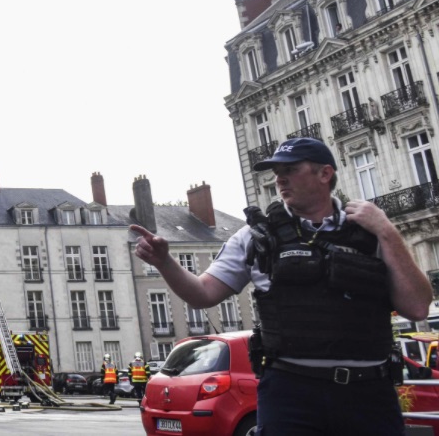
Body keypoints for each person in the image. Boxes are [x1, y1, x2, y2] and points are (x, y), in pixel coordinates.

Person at [132, 137, 432, 436]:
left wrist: (387, 231)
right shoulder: (255, 236)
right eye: (276, 171)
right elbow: (202, 294)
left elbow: (417, 306)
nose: (279, 179)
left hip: (369, 392)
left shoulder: (370, 229)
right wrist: (164, 262)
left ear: (324, 173)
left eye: (290, 169)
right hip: (291, 392)